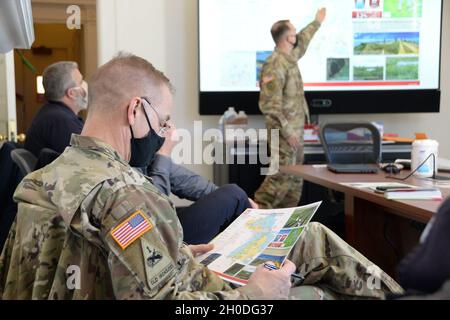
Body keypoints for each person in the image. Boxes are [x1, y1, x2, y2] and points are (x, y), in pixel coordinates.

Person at [0, 53, 402, 300]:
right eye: (163, 120)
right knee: (323, 274)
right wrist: (253, 294)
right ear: (135, 110)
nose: (164, 132)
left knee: (308, 237)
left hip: (162, 279)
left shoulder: (41, 180)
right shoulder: (125, 195)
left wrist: (173, 254)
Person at [255, 8, 326, 209]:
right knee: (281, 175)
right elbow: (270, 106)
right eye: (294, 32)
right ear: (288, 38)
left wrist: (317, 22)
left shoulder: (290, 57)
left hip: (295, 132)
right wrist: (288, 133)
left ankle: (284, 228)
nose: (297, 36)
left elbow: (303, 41)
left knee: (294, 182)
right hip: (285, 134)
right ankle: (255, 212)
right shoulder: (274, 64)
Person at [145, 125, 258, 245]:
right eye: (163, 121)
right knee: (234, 193)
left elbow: (186, 181)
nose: (170, 128)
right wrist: (163, 154)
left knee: (234, 199)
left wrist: (231, 200)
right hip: (152, 236)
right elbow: (154, 208)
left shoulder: (140, 154)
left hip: (160, 225)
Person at [24, 61, 88, 158]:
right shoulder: (60, 121)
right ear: (72, 93)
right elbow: (90, 159)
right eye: (81, 82)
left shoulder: (52, 114)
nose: (85, 84)